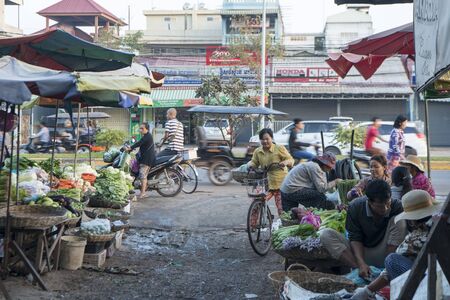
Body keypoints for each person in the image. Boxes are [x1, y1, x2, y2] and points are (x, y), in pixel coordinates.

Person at [351, 190, 441, 300]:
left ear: (412, 221)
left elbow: (390, 270)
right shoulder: (440, 222)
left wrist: (368, 290)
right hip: (442, 275)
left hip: (432, 282)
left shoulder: (417, 237)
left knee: (391, 260)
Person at [320, 180, 407, 276]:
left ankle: (387, 269)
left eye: (388, 203)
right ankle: (362, 270)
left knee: (399, 220)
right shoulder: (355, 206)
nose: (386, 208)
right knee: (326, 234)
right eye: (380, 206)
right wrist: (361, 263)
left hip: (385, 252)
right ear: (369, 201)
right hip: (362, 252)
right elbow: (355, 237)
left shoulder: (397, 205)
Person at [248, 128, 294, 216]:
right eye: (262, 139)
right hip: (266, 183)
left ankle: (283, 226)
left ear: (271, 138)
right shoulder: (258, 151)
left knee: (281, 210)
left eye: (267, 139)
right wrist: (251, 165)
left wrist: (285, 162)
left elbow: (290, 160)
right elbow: (254, 162)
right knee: (256, 203)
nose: (265, 141)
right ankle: (253, 227)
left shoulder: (279, 148)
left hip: (280, 184)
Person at [126, 123, 156, 199]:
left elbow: (139, 143)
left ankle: (143, 193)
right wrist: (131, 147)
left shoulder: (147, 136)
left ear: (147, 129)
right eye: (140, 128)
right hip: (144, 158)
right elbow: (139, 143)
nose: (140, 130)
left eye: (142, 128)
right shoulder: (145, 136)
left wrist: (130, 148)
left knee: (143, 176)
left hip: (147, 159)